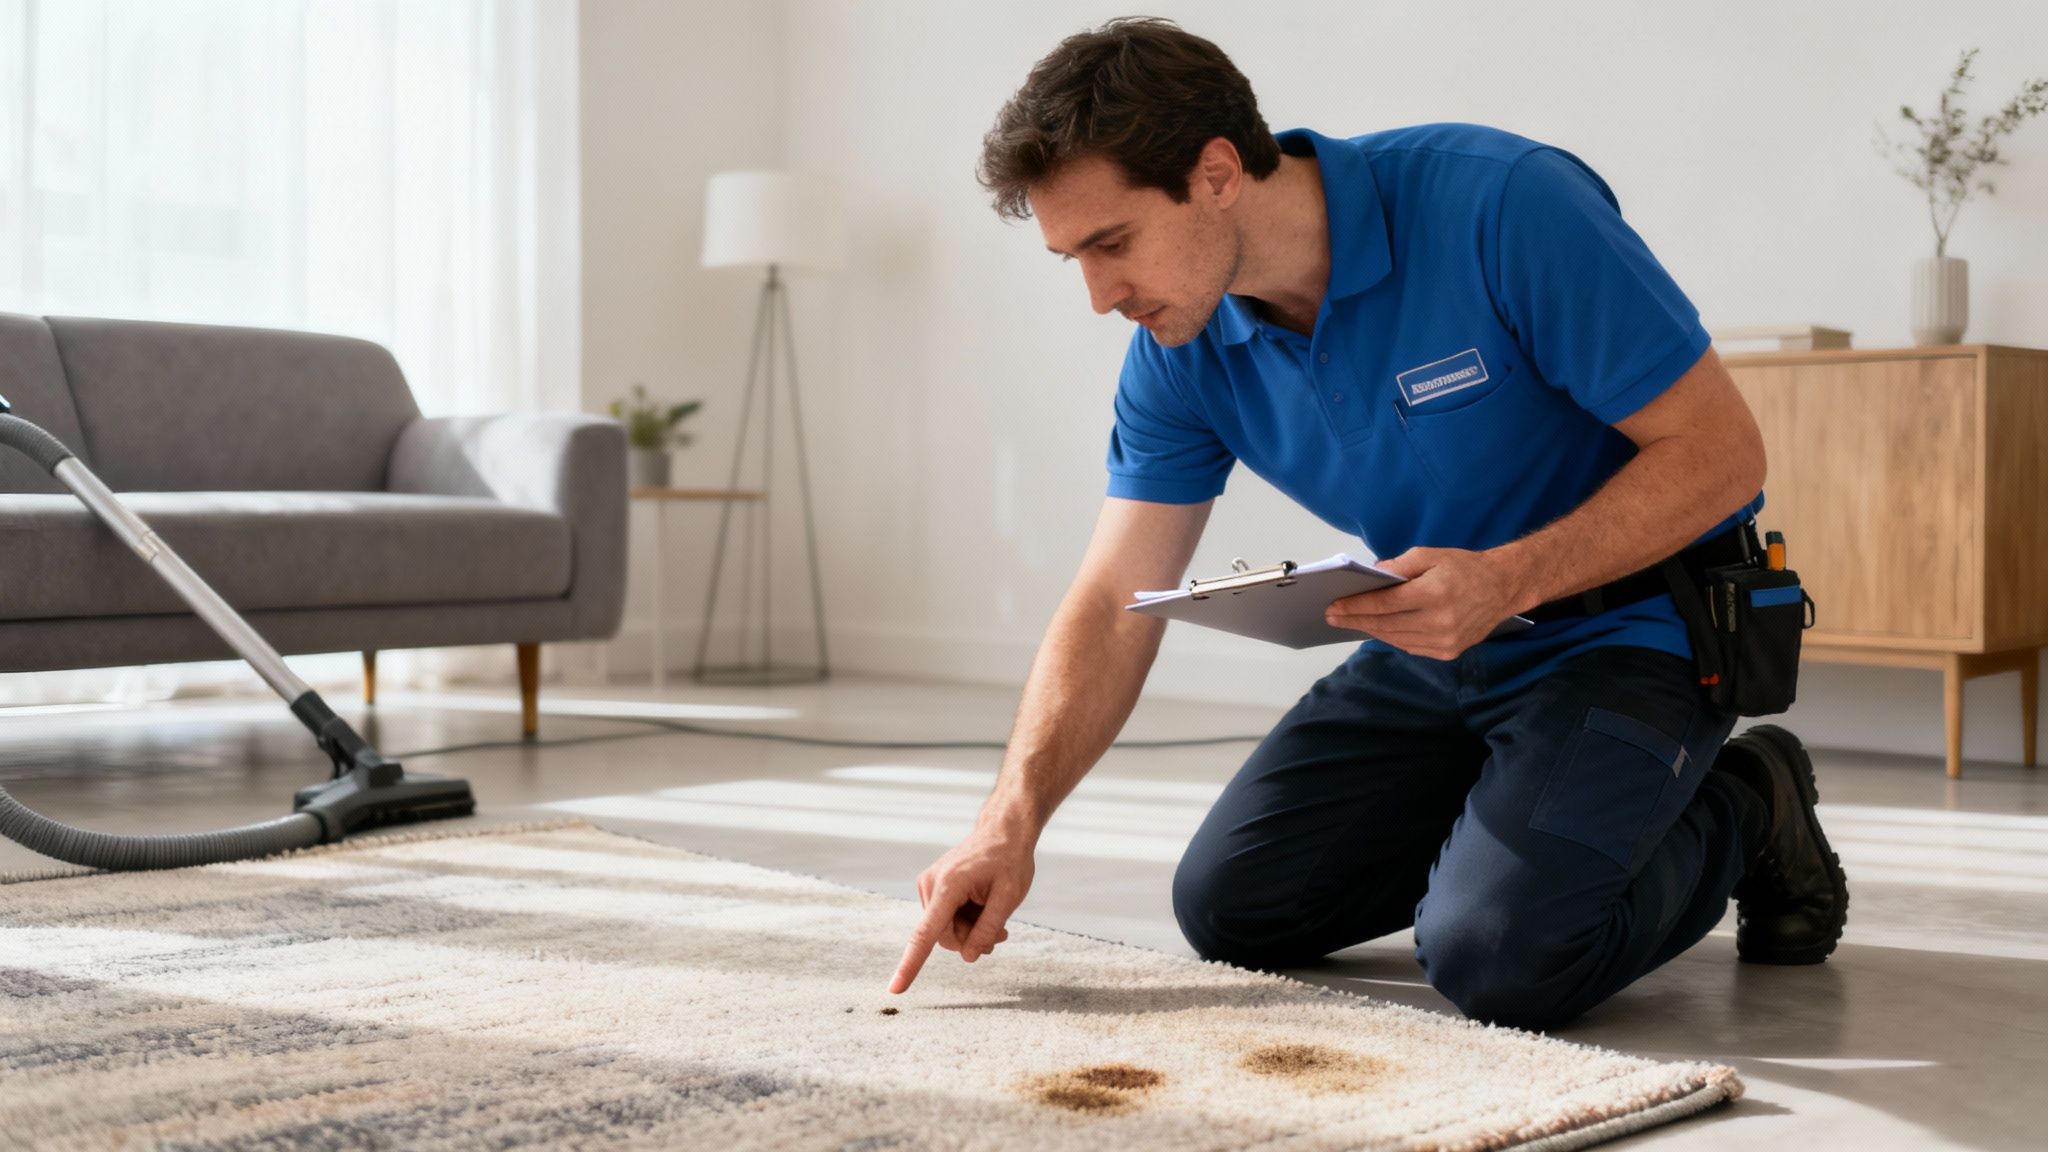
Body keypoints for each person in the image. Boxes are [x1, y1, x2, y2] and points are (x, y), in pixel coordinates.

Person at [886, 17, 1848, 1031]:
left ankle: (1747, 800)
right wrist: (1009, 822)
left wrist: (1508, 581)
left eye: (1111, 243)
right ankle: (1527, 808)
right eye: (1071, 258)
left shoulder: (1500, 206)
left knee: (1499, 961)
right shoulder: (1176, 347)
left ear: (1215, 172)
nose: (1097, 295)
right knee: (1233, 909)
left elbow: (1721, 452)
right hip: (1431, 643)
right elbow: (1111, 596)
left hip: (1632, 628)